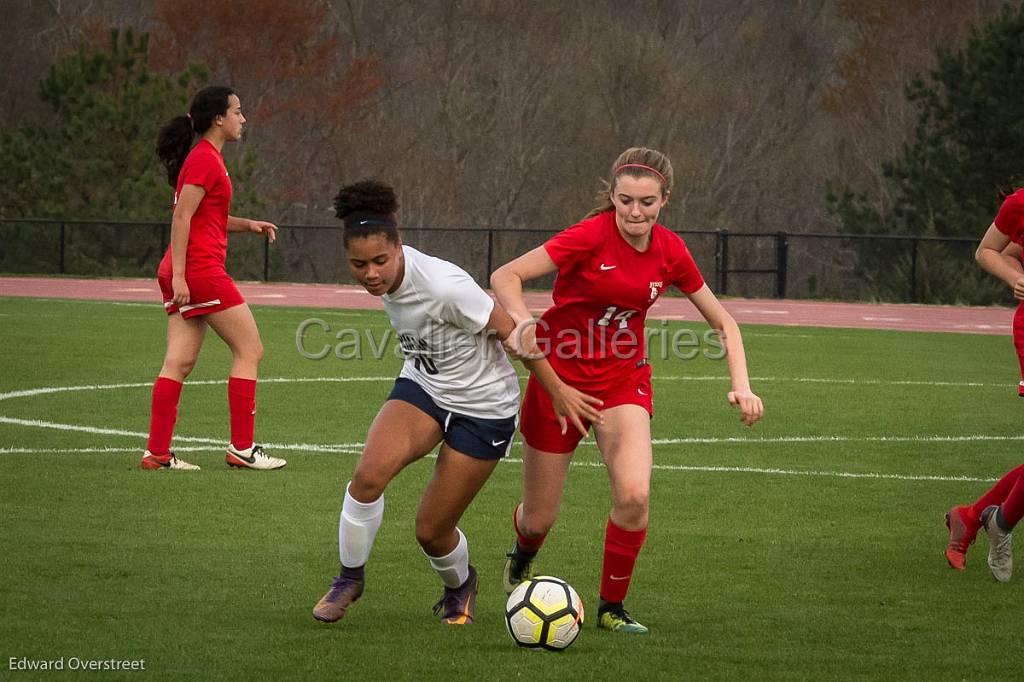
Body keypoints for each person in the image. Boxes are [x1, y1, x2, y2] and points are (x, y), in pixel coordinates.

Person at [491, 147, 765, 634]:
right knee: (538, 518)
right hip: (558, 382)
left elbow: (724, 322)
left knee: (635, 497)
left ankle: (611, 609)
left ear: (665, 200)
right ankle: (524, 550)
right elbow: (505, 275)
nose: (635, 212)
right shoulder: (588, 236)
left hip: (622, 382)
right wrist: (523, 320)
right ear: (611, 198)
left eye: (646, 202)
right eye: (625, 201)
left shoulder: (671, 250)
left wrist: (741, 386)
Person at [312, 180, 600, 625]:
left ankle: (460, 583)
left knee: (431, 531)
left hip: (484, 407)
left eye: (380, 262)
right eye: (358, 264)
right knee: (368, 476)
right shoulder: (384, 278)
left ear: (400, 248)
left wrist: (557, 389)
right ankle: (349, 578)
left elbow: (513, 333)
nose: (371, 273)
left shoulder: (445, 287)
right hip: (425, 388)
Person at [142, 86, 286, 471]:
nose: (243, 119)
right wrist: (183, 277)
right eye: (238, 111)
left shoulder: (205, 159)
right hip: (200, 271)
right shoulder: (205, 159)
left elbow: (206, 217)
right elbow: (181, 218)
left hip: (184, 268)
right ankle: (243, 447)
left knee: (179, 361)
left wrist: (248, 225)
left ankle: (157, 453)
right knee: (250, 350)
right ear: (218, 119)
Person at [943, 193, 1024, 582]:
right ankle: (995, 520)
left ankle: (979, 517)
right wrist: (1017, 279)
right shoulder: (1020, 203)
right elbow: (990, 251)